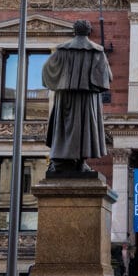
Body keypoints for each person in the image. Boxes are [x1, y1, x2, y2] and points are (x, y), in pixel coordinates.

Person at [41, 20, 112, 177]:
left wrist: (62, 82)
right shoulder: (96, 52)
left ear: (74, 31)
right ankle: (80, 162)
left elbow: (46, 73)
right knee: (85, 129)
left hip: (65, 97)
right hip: (87, 99)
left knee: (64, 128)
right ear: (88, 32)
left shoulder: (61, 50)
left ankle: (63, 160)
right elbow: (106, 78)